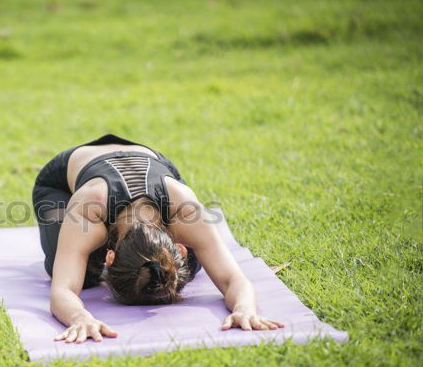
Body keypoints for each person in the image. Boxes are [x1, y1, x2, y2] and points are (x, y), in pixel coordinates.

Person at [32, 134, 284, 343]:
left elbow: (233, 280)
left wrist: (245, 309)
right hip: (62, 182)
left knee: (180, 267)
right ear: (109, 257)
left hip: (154, 163)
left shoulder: (185, 210)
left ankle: (153, 267)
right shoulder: (89, 208)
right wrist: (79, 317)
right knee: (80, 274)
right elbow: (62, 290)